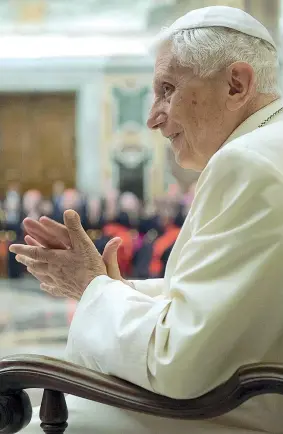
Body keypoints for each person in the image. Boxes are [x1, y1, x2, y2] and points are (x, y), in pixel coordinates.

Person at [9, 6, 283, 433]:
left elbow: (178, 363)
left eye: (167, 89)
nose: (153, 116)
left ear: (236, 84)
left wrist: (91, 287)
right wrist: (110, 284)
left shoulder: (248, 164)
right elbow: (230, 300)